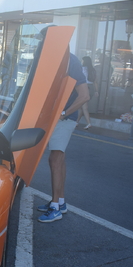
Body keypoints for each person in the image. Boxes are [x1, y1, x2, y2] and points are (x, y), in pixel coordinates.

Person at [37, 48, 90, 223]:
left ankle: (55, 208)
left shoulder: (71, 62)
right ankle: (60, 202)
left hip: (64, 118)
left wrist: (63, 113)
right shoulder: (60, 60)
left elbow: (84, 96)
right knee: (59, 158)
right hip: (60, 117)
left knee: (55, 159)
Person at [77, 56, 96, 129]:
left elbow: (81, 79)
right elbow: (95, 82)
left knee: (84, 107)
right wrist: (96, 91)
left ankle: (89, 123)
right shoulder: (93, 70)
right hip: (91, 88)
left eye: (82, 60)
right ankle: (76, 122)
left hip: (85, 87)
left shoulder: (83, 69)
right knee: (81, 106)